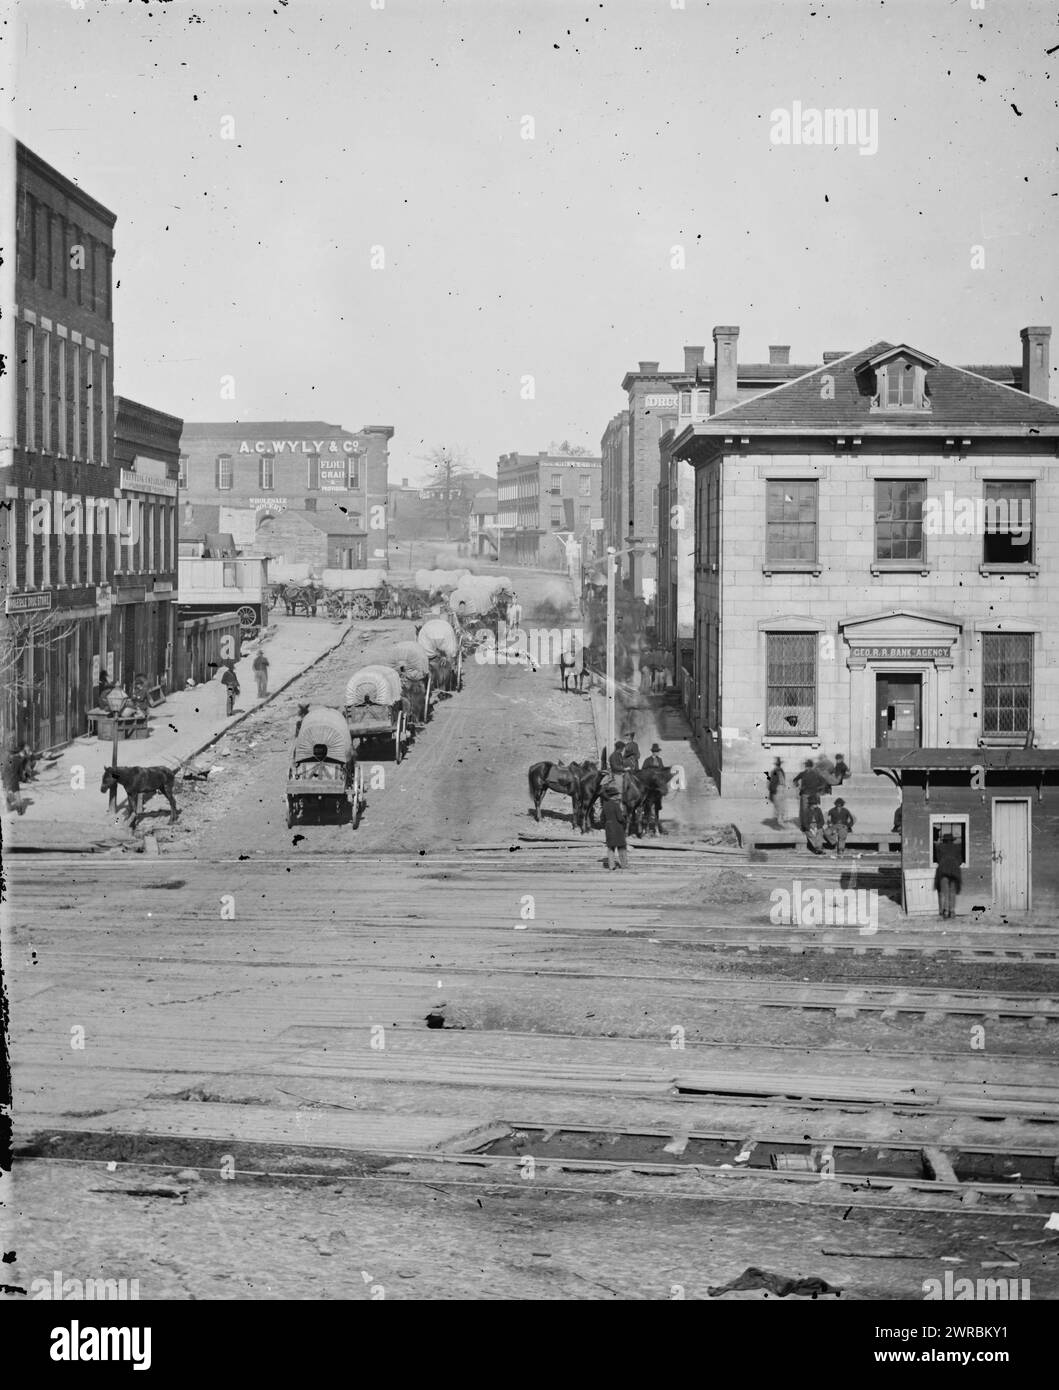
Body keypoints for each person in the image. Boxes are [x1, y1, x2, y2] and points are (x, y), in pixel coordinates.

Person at [793, 760, 829, 830]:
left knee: (806, 810)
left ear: (807, 766)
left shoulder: (807, 773)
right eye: (807, 766)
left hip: (808, 795)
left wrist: (797, 785)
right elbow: (824, 782)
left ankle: (806, 826)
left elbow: (795, 780)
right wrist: (818, 789)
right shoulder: (813, 773)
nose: (807, 768)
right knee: (808, 810)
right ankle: (807, 826)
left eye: (807, 766)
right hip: (810, 794)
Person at [601, 783, 629, 870]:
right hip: (617, 828)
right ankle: (624, 865)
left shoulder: (605, 805)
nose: (618, 796)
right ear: (613, 796)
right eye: (617, 794)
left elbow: (602, 818)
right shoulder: (616, 805)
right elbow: (620, 818)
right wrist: (625, 821)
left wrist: (606, 824)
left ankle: (611, 866)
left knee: (611, 848)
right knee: (622, 848)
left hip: (609, 828)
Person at [935, 834, 963, 919]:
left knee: (945, 892)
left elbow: (938, 859)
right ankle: (952, 911)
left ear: (944, 840)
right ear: (952, 840)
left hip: (943, 871)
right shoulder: (957, 847)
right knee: (952, 892)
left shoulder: (939, 847)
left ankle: (946, 911)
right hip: (954, 871)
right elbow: (960, 861)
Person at [766, 756, 788, 827]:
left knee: (778, 804)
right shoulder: (780, 771)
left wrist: (771, 789)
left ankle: (779, 820)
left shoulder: (776, 771)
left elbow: (771, 781)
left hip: (778, 789)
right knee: (780, 804)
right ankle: (779, 819)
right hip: (780, 789)